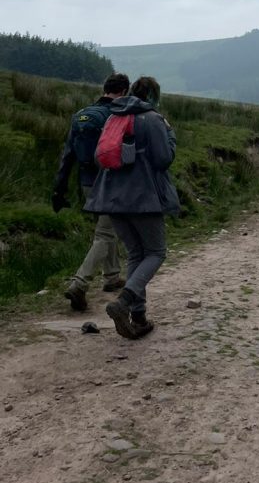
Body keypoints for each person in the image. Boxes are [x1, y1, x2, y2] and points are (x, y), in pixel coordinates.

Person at [85, 76, 179, 339]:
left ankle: (138, 317)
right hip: (143, 198)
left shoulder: (114, 116)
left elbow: (100, 156)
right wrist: (170, 136)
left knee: (136, 253)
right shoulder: (153, 119)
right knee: (156, 252)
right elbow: (163, 159)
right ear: (153, 95)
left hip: (112, 198)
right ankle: (124, 302)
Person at [53, 72, 131, 311]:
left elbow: (68, 155)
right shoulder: (117, 115)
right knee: (105, 233)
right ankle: (79, 283)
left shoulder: (81, 115)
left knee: (106, 227)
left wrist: (59, 188)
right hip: (109, 181)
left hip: (87, 183)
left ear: (104, 88)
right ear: (124, 92)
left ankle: (112, 276)